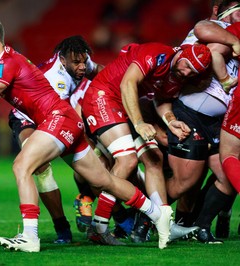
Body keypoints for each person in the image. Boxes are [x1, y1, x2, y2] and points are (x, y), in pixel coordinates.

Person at [0, 18, 174, 252]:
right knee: (104, 181)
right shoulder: (2, 67)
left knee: (22, 165)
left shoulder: (6, 63)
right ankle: (157, 214)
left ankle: (30, 237)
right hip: (67, 122)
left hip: (57, 120)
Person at [80, 41, 212, 245]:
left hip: (125, 109)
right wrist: (139, 122)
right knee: (127, 161)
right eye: (186, 65)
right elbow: (128, 83)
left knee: (155, 160)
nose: (186, 73)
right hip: (103, 98)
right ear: (181, 54)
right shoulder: (158, 53)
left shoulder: (178, 77)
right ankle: (100, 226)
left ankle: (164, 222)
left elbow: (161, 99)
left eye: (192, 72)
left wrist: (171, 120)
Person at [7, 35, 103, 243]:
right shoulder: (55, 77)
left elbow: (100, 72)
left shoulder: (77, 60)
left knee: (92, 169)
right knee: (41, 167)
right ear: (63, 60)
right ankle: (62, 229)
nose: (82, 67)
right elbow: (59, 117)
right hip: (27, 118)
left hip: (56, 116)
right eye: (77, 63)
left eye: (84, 62)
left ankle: (118, 215)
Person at [164, 0, 240, 243]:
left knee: (225, 175)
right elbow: (202, 28)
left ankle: (199, 225)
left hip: (216, 120)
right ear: (220, 10)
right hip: (190, 111)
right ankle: (142, 219)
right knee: (186, 181)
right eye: (238, 11)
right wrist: (234, 45)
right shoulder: (219, 28)